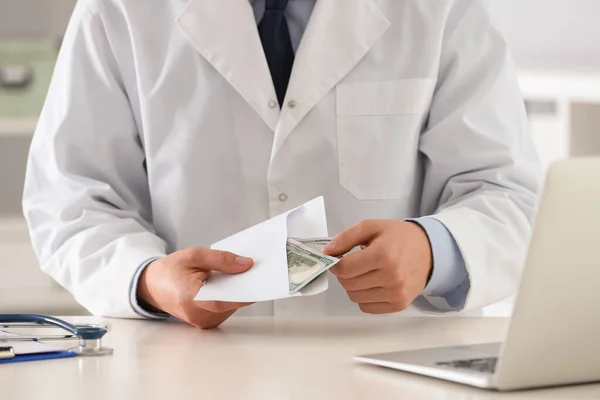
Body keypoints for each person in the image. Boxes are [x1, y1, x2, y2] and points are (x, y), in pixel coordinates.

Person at [23, 0, 541, 329]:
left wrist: (434, 251)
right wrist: (147, 279)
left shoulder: (444, 9)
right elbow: (71, 200)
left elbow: (508, 194)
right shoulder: (118, 10)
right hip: (187, 367)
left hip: (395, 361)